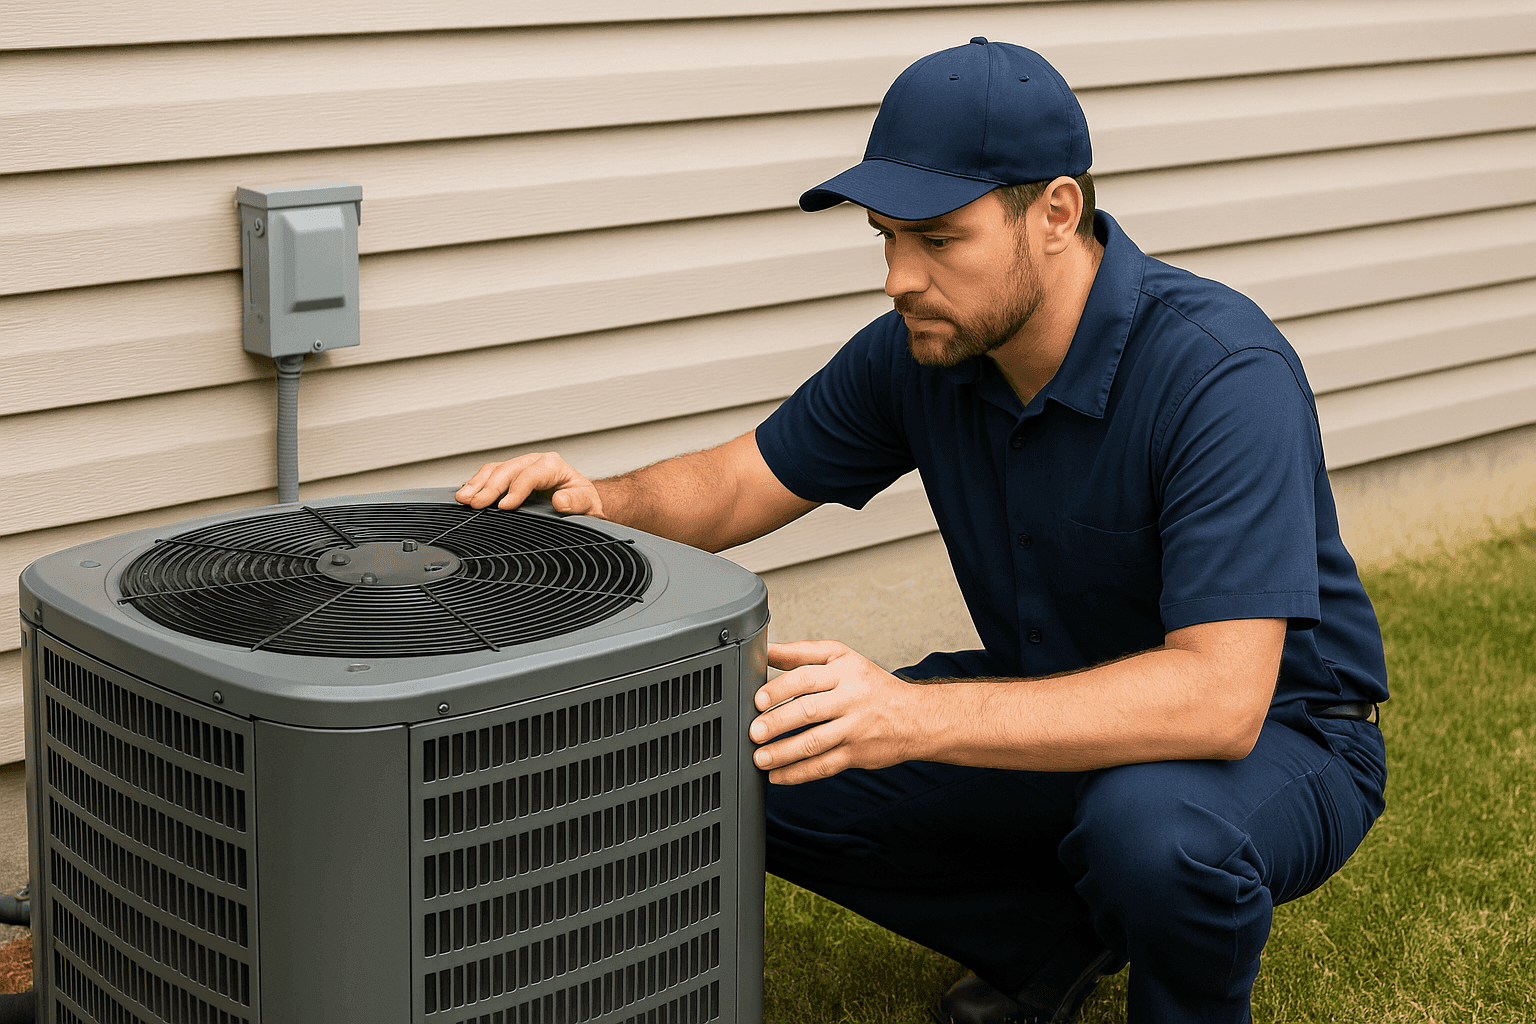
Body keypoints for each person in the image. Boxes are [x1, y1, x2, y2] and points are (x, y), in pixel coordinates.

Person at [456, 37, 1388, 1024]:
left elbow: (1218, 699)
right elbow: (738, 483)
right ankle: (1055, 943)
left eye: (938, 240)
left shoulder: (1217, 374)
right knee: (742, 759)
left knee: (1153, 829)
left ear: (1056, 214)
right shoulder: (924, 353)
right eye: (884, 238)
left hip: (1285, 740)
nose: (899, 277)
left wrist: (907, 714)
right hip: (1059, 710)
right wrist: (600, 501)